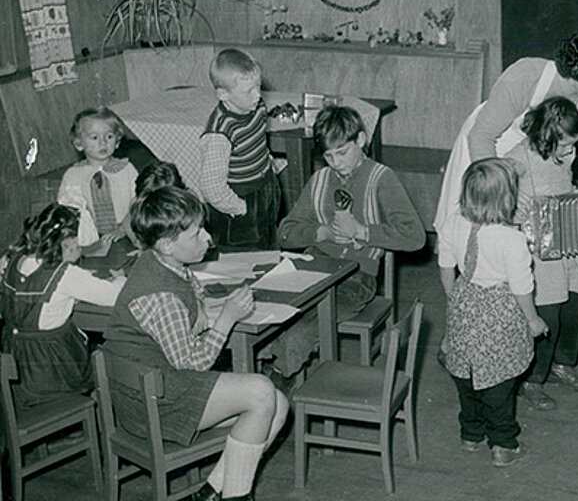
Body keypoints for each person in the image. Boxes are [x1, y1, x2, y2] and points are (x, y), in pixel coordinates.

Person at [102, 186, 288, 501]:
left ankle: (210, 493)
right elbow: (192, 363)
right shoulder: (160, 296)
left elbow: (190, 291)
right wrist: (227, 317)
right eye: (196, 234)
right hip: (152, 405)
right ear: (167, 244)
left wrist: (205, 308)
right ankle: (236, 497)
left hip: (156, 386)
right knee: (261, 392)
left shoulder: (159, 262)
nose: (208, 238)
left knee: (278, 404)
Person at [272, 105, 425, 377]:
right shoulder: (320, 179)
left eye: (342, 152)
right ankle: (272, 380)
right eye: (328, 155)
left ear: (361, 141)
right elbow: (285, 232)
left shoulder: (381, 178)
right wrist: (322, 233)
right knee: (269, 320)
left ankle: (277, 391)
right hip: (312, 269)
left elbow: (415, 236)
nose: (336, 162)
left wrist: (363, 231)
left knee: (298, 333)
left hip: (354, 279)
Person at [435, 31, 578, 232]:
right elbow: (482, 136)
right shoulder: (525, 76)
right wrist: (501, 190)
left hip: (541, 164)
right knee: (480, 231)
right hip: (489, 150)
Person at [437, 158, 548, 467]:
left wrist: (454, 299)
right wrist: (532, 320)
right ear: (507, 199)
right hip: (500, 314)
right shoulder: (511, 239)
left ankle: (471, 434)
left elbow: (446, 266)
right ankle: (503, 444)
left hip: (463, 304)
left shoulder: (452, 222)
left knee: (466, 374)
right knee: (498, 382)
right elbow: (522, 287)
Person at [504, 97, 578, 411]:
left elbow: (564, 188)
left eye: (574, 145)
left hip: (569, 248)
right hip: (538, 254)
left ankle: (562, 364)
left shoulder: (564, 155)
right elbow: (502, 204)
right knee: (548, 319)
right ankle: (531, 378)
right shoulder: (518, 159)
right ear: (545, 136)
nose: (571, 153)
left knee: (574, 309)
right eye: (565, 145)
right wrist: (520, 212)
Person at [0, 203, 123, 410]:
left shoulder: (11, 260)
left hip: (15, 369)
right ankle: (98, 421)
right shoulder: (64, 274)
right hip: (53, 372)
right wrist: (119, 279)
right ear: (70, 242)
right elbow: (114, 295)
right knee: (108, 359)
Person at [199, 48, 281, 251]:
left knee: (268, 247)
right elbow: (211, 187)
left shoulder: (256, 106)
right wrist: (241, 209)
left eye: (258, 87)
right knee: (242, 260)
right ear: (223, 94)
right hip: (239, 202)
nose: (258, 95)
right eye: (249, 91)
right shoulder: (220, 132)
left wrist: (269, 164)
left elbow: (257, 139)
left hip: (264, 188)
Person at [57, 107, 137, 253]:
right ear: (79, 144)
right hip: (88, 240)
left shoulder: (127, 170)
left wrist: (124, 228)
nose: (103, 143)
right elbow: (67, 209)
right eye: (94, 137)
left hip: (127, 235)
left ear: (117, 141)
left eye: (109, 137)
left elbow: (138, 203)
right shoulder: (73, 175)